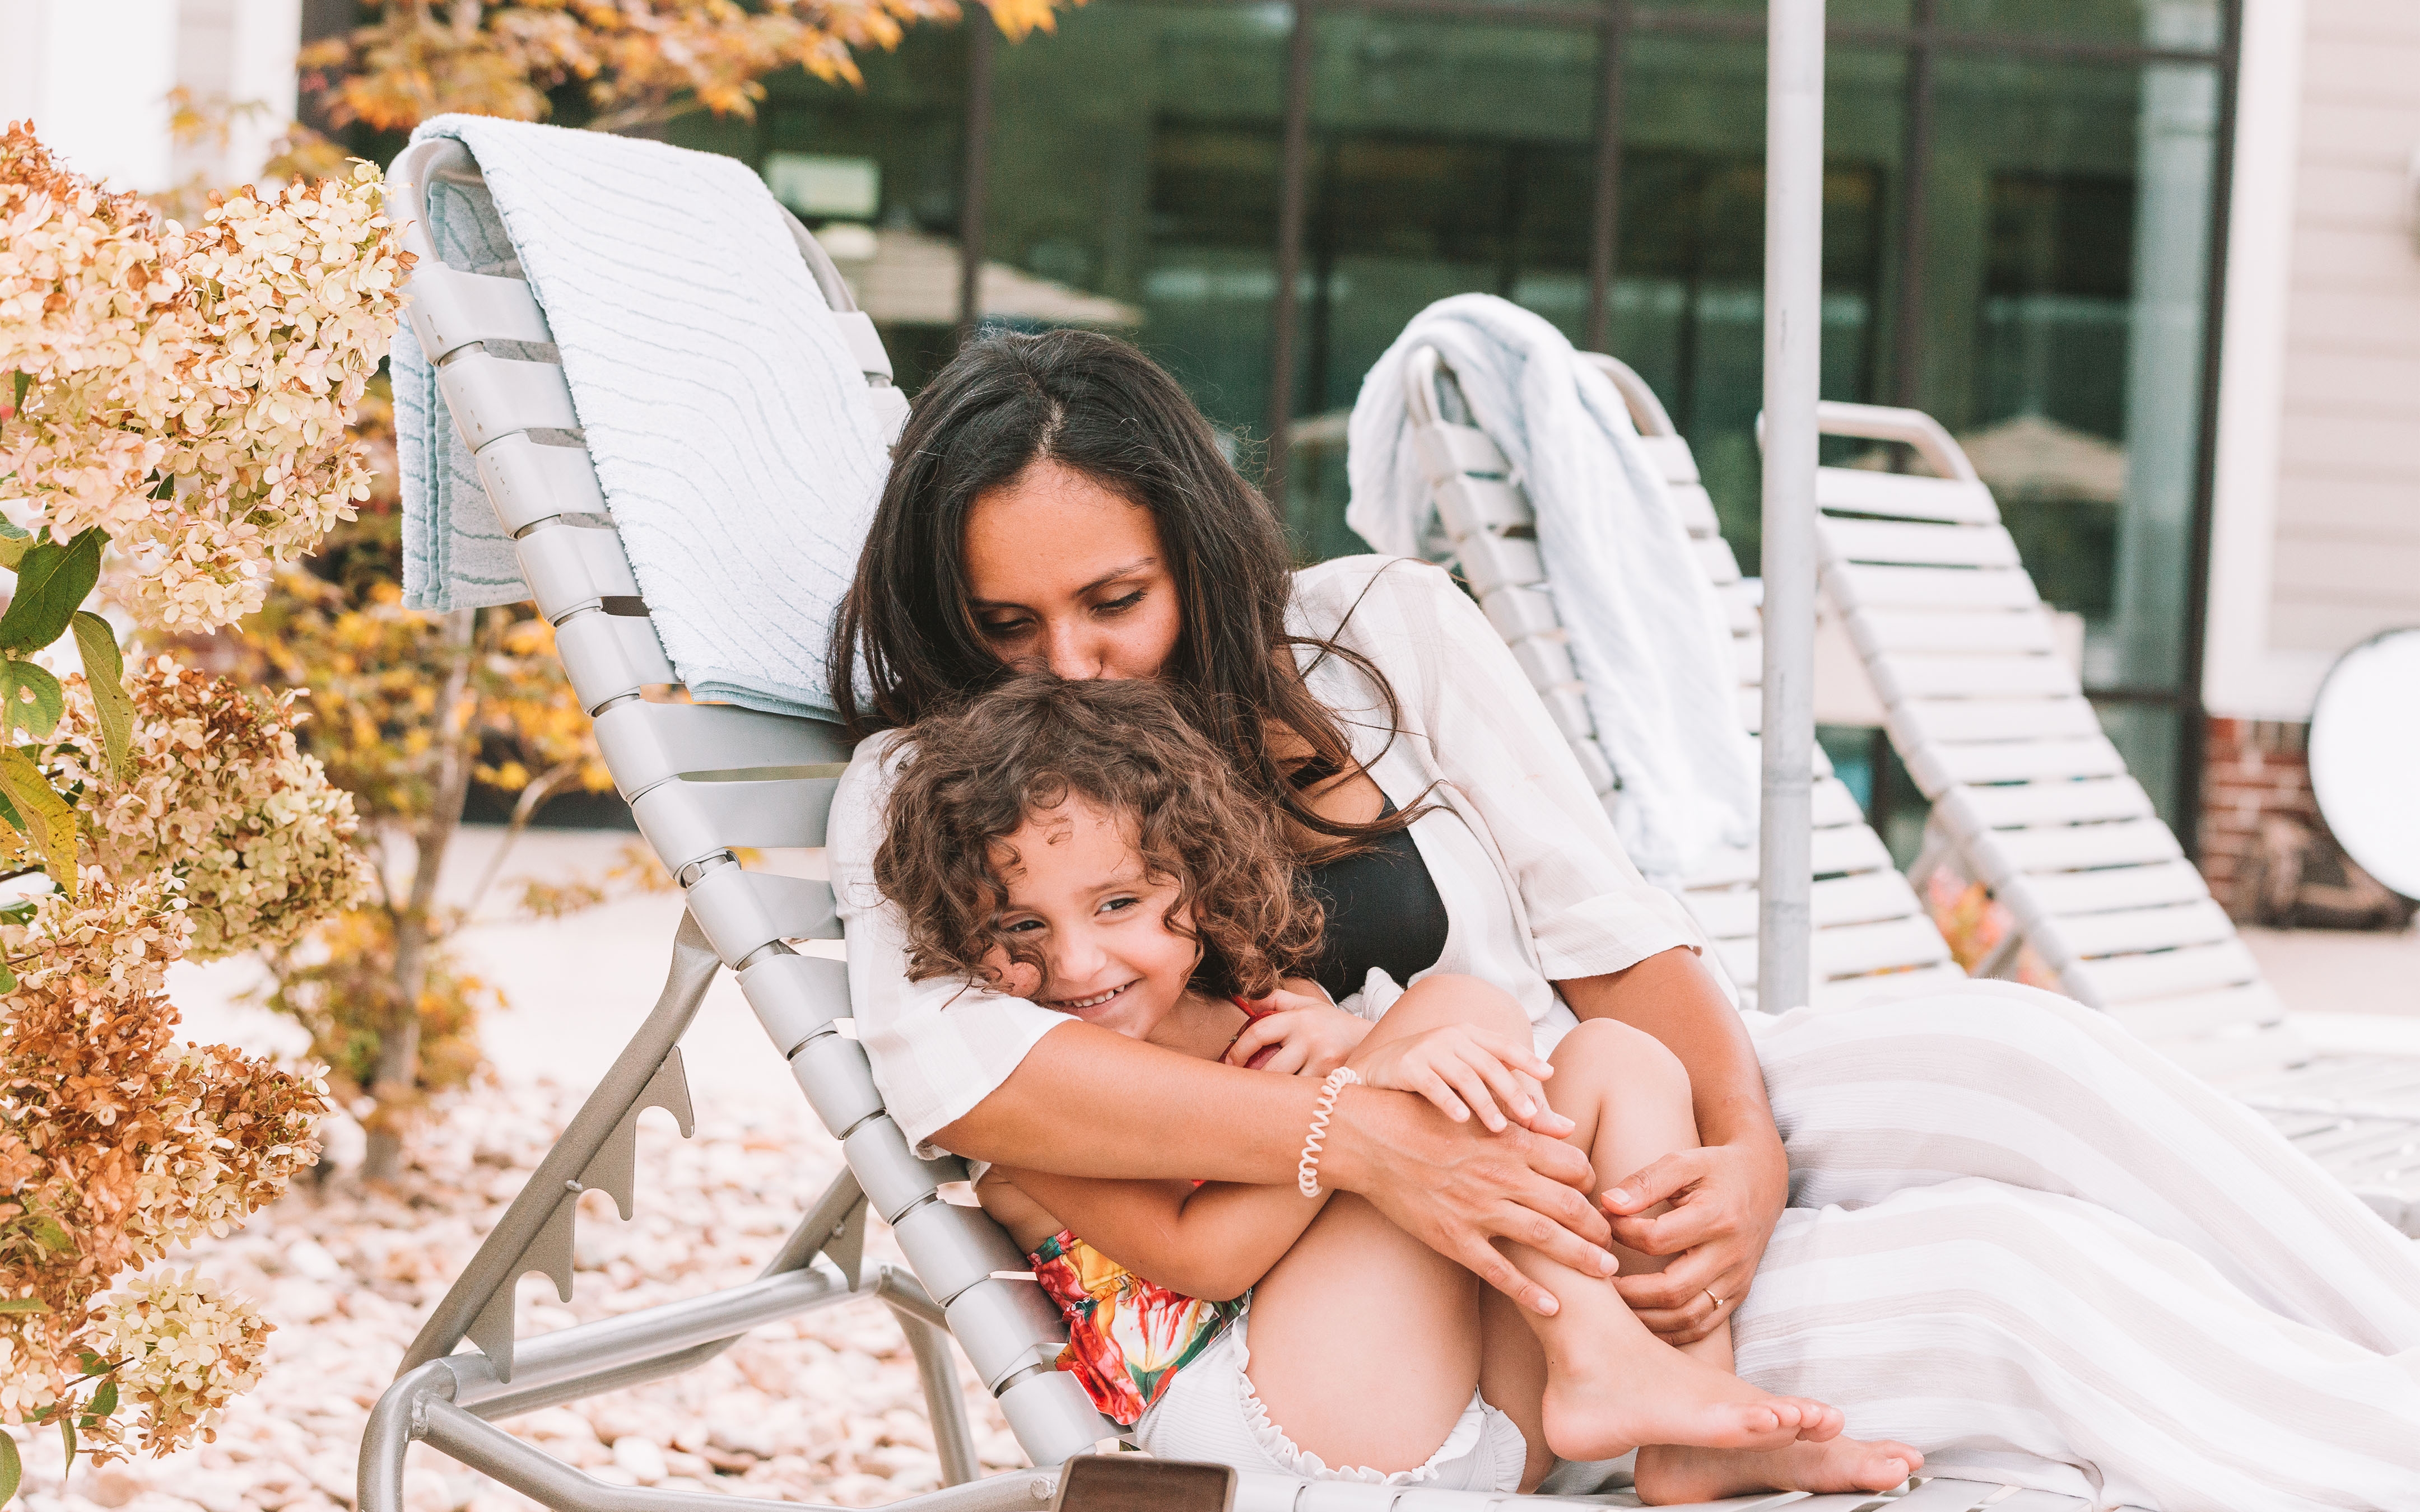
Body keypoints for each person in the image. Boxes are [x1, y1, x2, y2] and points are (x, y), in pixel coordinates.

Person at [826, 329, 2420, 1509]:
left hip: (1601, 1135)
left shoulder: (1376, 629)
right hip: (1459, 1288)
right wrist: (1375, 1134)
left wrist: (1752, 1153)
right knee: (2008, 1280)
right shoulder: (935, 786)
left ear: (1198, 547)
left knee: (2021, 1057)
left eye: (1118, 599)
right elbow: (981, 1080)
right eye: (1012, 626)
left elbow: (1615, 939)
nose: (1079, 663)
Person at [869, 674, 1920, 1497]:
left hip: (1474, 1403)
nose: (1078, 965)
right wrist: (1366, 1086)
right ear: (965, 933)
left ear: (1192, 877)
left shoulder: (1262, 1011)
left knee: (1618, 1060)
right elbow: (1204, 1255)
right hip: (1266, 1425)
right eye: (1021, 928)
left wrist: (1350, 1045)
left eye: (1118, 905)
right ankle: (1602, 1359)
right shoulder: (1040, 1105)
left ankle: (1689, 1413)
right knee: (1449, 1025)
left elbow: (1429, 1110)